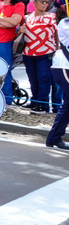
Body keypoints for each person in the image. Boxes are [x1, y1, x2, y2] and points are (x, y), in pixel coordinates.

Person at [22, 0, 58, 115]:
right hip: (28, 53)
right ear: (34, 3)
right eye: (42, 1)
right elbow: (21, 34)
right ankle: (35, 100)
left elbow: (57, 34)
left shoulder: (52, 17)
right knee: (33, 79)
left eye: (46, 2)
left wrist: (57, 50)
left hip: (46, 52)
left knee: (43, 78)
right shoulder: (28, 17)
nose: (44, 4)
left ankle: (42, 104)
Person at [46, 18, 69, 151]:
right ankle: (54, 137)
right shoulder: (65, 22)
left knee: (67, 105)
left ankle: (54, 138)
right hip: (64, 66)